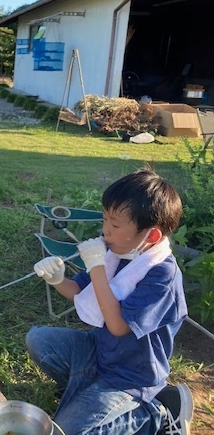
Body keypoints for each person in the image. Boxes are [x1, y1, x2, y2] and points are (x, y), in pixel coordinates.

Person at [27, 169, 193, 434]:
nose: (105, 231)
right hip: (100, 352)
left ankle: (154, 415)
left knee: (65, 431)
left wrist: (97, 268)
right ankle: (85, 389)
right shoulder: (117, 251)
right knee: (39, 340)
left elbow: (117, 326)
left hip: (132, 377)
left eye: (115, 225)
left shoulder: (162, 275)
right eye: (105, 219)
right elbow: (78, 290)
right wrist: (57, 279)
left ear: (151, 236)